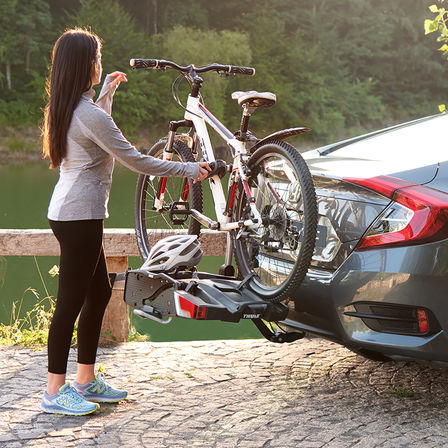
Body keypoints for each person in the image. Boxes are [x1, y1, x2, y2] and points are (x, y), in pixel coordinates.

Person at [40, 28, 210, 416]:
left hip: (75, 213)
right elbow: (136, 160)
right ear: (85, 65)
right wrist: (189, 169)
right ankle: (54, 390)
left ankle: (85, 380)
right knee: (69, 302)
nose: (101, 63)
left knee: (98, 293)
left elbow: (96, 126)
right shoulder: (86, 115)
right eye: (97, 58)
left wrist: (108, 94)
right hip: (78, 216)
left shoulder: (71, 106)